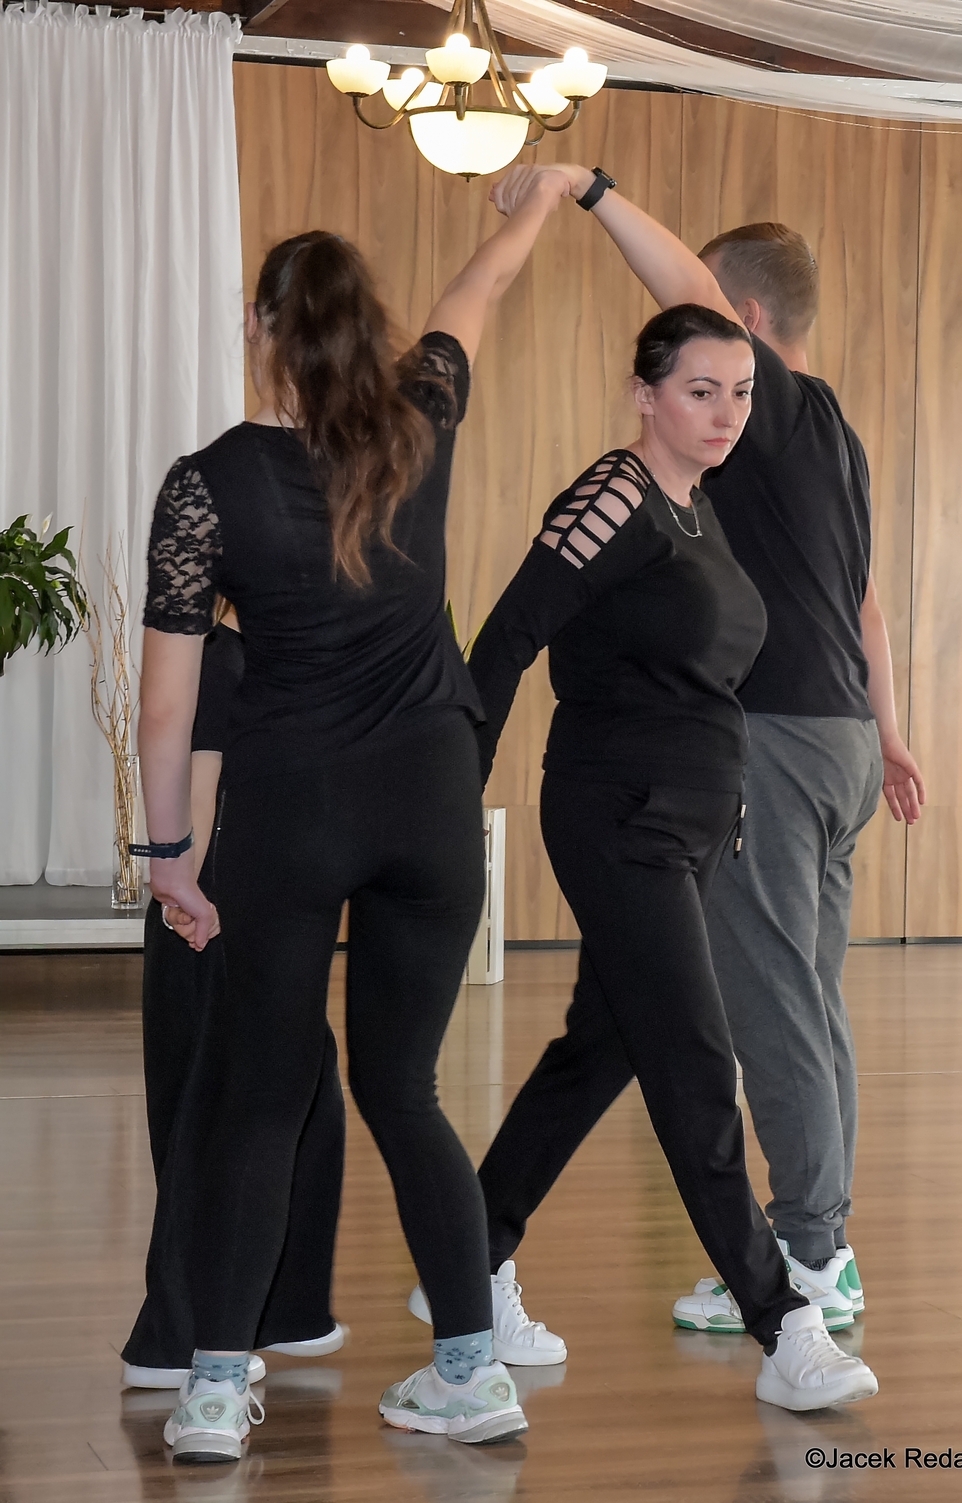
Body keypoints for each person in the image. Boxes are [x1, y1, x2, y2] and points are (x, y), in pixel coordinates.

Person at [129, 175, 569, 1465]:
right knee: (404, 1089)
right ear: (371, 329)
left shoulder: (207, 483)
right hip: (432, 805)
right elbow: (481, 289)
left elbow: (166, 711)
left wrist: (169, 858)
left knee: (259, 1098)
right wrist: (544, 196)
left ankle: (218, 1392)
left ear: (260, 328)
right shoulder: (422, 416)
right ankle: (471, 1372)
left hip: (295, 811)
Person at [471, 164, 922, 1344]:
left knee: (771, 1012)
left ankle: (807, 1257)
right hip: (839, 742)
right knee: (803, 1002)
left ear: (748, 324)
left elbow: (680, 283)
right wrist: (887, 735)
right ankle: (821, 1247)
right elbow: (867, 609)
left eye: (717, 336)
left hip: (775, 743)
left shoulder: (779, 412)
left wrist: (587, 189)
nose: (712, 383)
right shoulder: (837, 443)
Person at [122, 608, 346, 1391]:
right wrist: (187, 897)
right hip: (214, 910)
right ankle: (173, 1340)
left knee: (307, 1090)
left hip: (259, 904)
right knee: (215, 1117)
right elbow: (200, 782)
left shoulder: (274, 650)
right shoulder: (221, 656)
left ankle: (284, 1310)